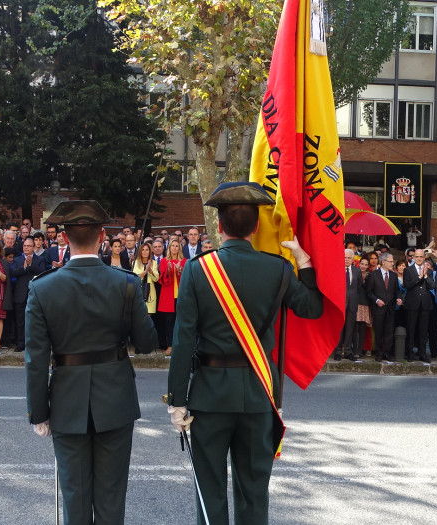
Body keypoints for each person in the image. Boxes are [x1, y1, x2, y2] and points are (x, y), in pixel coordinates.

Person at [165, 182, 323, 525]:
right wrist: (303, 259)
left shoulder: (197, 269)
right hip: (257, 395)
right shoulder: (278, 268)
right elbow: (311, 308)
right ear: (256, 227)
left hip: (208, 397)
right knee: (253, 495)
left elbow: (183, 341)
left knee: (210, 493)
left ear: (219, 226)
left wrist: (176, 399)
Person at [25, 200, 157, 525]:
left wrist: (38, 413)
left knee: (75, 498)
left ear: (65, 238)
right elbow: (147, 344)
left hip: (67, 402)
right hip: (116, 399)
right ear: (102, 235)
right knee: (111, 500)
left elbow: (36, 361)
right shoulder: (125, 282)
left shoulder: (42, 288)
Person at [9, 236, 46, 351]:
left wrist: (31, 265)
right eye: (24, 246)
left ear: (34, 247)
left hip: (34, 294)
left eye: (29, 246)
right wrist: (24, 267)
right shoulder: (17, 260)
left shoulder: (39, 259)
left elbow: (43, 273)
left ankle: (33, 344)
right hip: (20, 295)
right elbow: (13, 273)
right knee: (20, 321)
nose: (26, 248)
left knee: (34, 321)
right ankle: (21, 343)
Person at [365, 252, 401, 362]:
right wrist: (376, 300)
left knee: (389, 331)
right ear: (383, 262)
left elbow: (397, 291)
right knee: (379, 331)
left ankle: (387, 353)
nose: (392, 263)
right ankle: (379, 352)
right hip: (378, 308)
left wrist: (399, 298)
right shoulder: (373, 275)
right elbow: (369, 292)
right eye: (390, 261)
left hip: (390, 308)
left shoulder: (394, 276)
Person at [402, 249, 434, 362]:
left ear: (424, 257)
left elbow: (432, 286)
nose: (419, 258)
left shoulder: (428, 271)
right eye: (417, 256)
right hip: (412, 304)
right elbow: (407, 285)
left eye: (421, 256)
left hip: (425, 304)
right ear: (414, 257)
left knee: (423, 331)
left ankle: (422, 353)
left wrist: (425, 276)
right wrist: (419, 277)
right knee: (411, 329)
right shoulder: (408, 270)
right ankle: (410, 353)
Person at [157, 237, 185, 357]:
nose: (174, 248)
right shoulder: (164, 261)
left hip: (181, 295)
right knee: (169, 321)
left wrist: (179, 271)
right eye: (172, 246)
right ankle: (170, 345)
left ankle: (180, 345)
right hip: (168, 295)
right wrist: (169, 270)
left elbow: (186, 279)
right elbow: (163, 280)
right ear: (169, 247)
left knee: (181, 321)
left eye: (176, 246)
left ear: (179, 248)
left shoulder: (184, 261)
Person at [133, 242, 159, 323]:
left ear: (150, 252)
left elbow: (156, 279)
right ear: (140, 251)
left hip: (150, 293)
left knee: (148, 319)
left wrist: (150, 271)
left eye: (147, 250)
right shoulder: (136, 262)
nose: (145, 252)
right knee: (139, 317)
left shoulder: (153, 263)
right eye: (143, 250)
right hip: (139, 292)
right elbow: (136, 278)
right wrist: (146, 271)